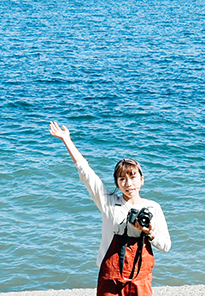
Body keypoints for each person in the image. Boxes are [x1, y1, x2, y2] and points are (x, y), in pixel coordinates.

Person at [49, 121, 172, 296]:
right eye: (122, 179)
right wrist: (66, 140)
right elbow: (86, 173)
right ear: (117, 183)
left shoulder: (153, 207)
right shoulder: (108, 202)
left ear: (142, 180)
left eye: (133, 177)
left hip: (140, 280)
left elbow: (166, 246)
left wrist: (150, 232)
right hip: (110, 278)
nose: (128, 183)